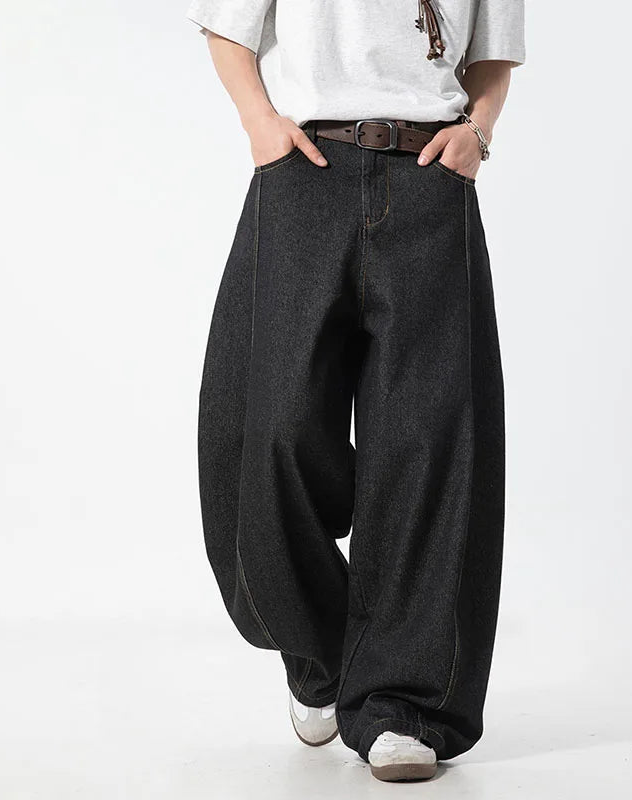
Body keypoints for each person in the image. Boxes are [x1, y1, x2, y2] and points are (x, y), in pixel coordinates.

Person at [186, 0, 524, 783]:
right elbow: (227, 29)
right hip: (305, 171)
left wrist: (477, 132)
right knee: (268, 432)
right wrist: (259, 123)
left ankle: (402, 706)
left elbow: (493, 55)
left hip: (431, 177)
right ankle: (323, 657)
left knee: (427, 442)